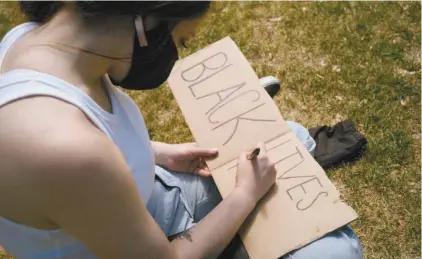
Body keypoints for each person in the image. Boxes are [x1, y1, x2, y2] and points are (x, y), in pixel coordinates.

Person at [0, 2, 363, 259]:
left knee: (290, 137)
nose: (174, 54)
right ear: (147, 24)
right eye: (181, 41)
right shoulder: (61, 148)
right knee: (338, 252)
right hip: (153, 243)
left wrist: (157, 152)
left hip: (149, 201)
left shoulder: (28, 38)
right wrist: (243, 196)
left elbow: (92, 150)